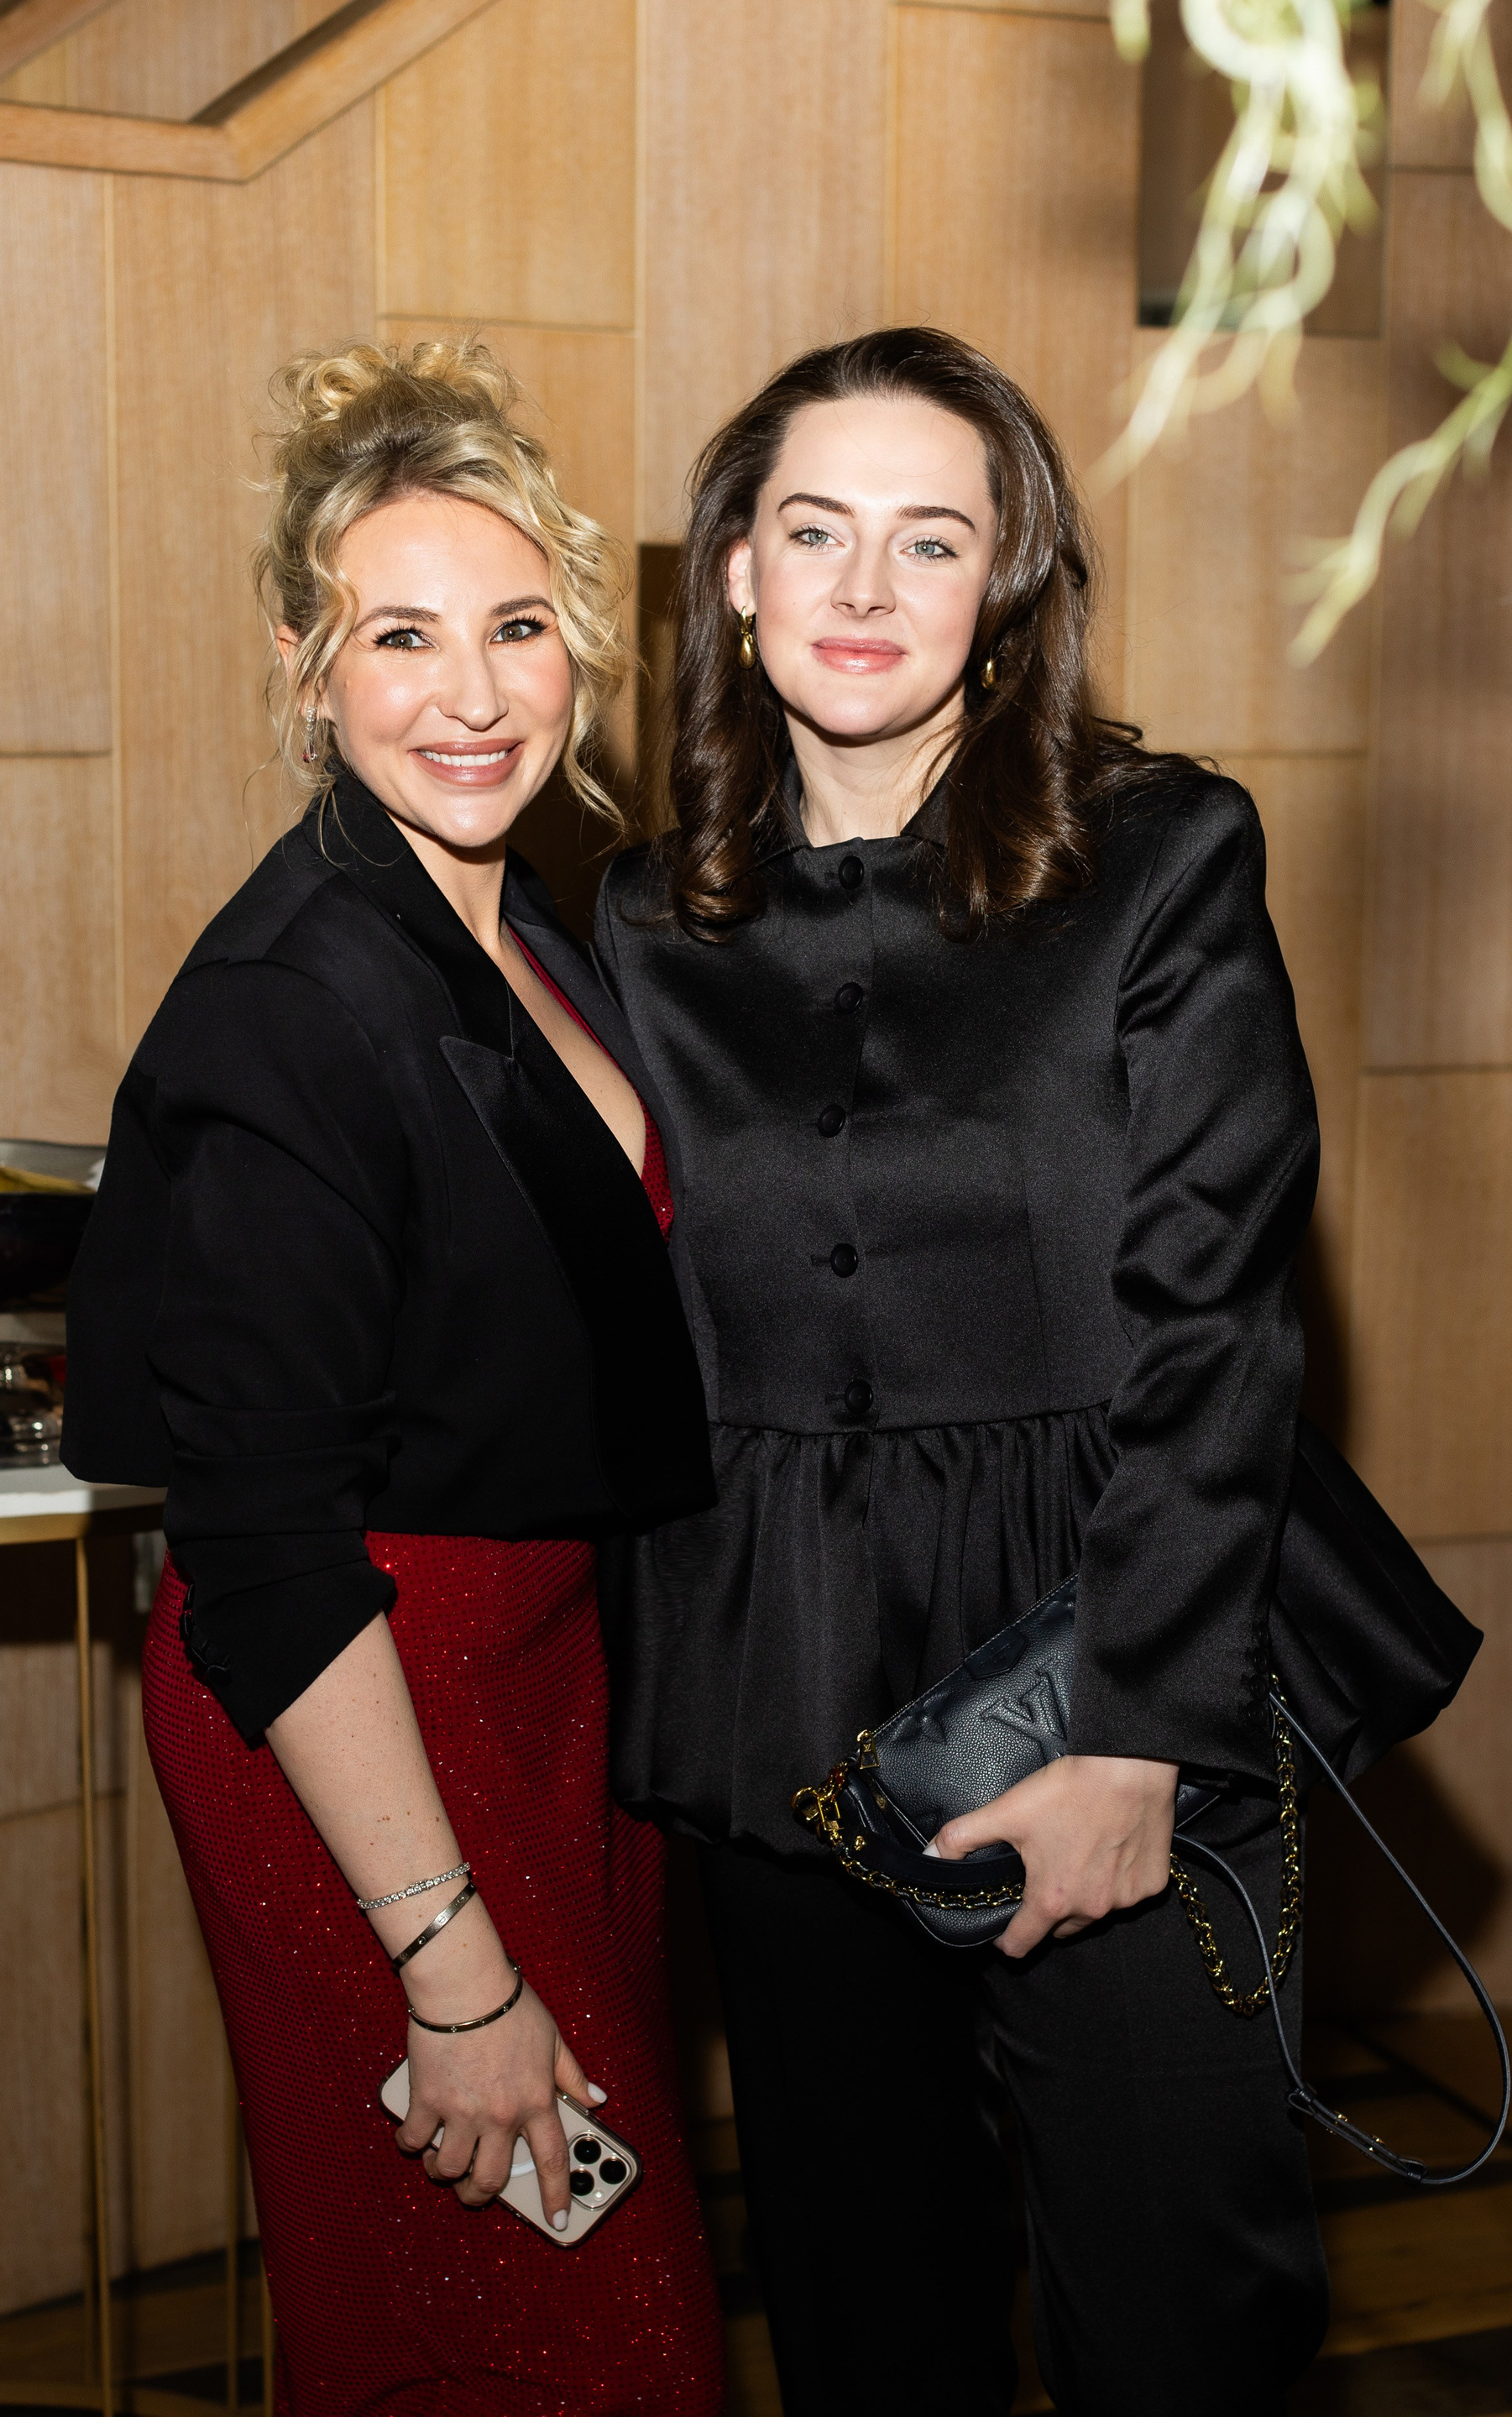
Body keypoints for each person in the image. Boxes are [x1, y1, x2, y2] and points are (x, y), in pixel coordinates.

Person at [594, 327, 1331, 2417]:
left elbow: (1224, 1321)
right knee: (867, 2323)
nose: (862, 587)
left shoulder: (1162, 858)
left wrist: (1136, 1736)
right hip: (778, 1683)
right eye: (814, 530)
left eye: (929, 541)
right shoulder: (641, 917)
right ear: (736, 570)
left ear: (1004, 586)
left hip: (1103, 1648)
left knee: (1184, 2322)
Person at [62, 340, 725, 2417]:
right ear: (305, 667)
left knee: (560, 2326)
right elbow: (261, 1538)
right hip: (364, 1715)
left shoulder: (528, 929)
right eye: (401, 636)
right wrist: (446, 1961)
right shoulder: (294, 998)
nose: (473, 693)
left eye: (517, 627)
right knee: (565, 2339)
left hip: (536, 1690)